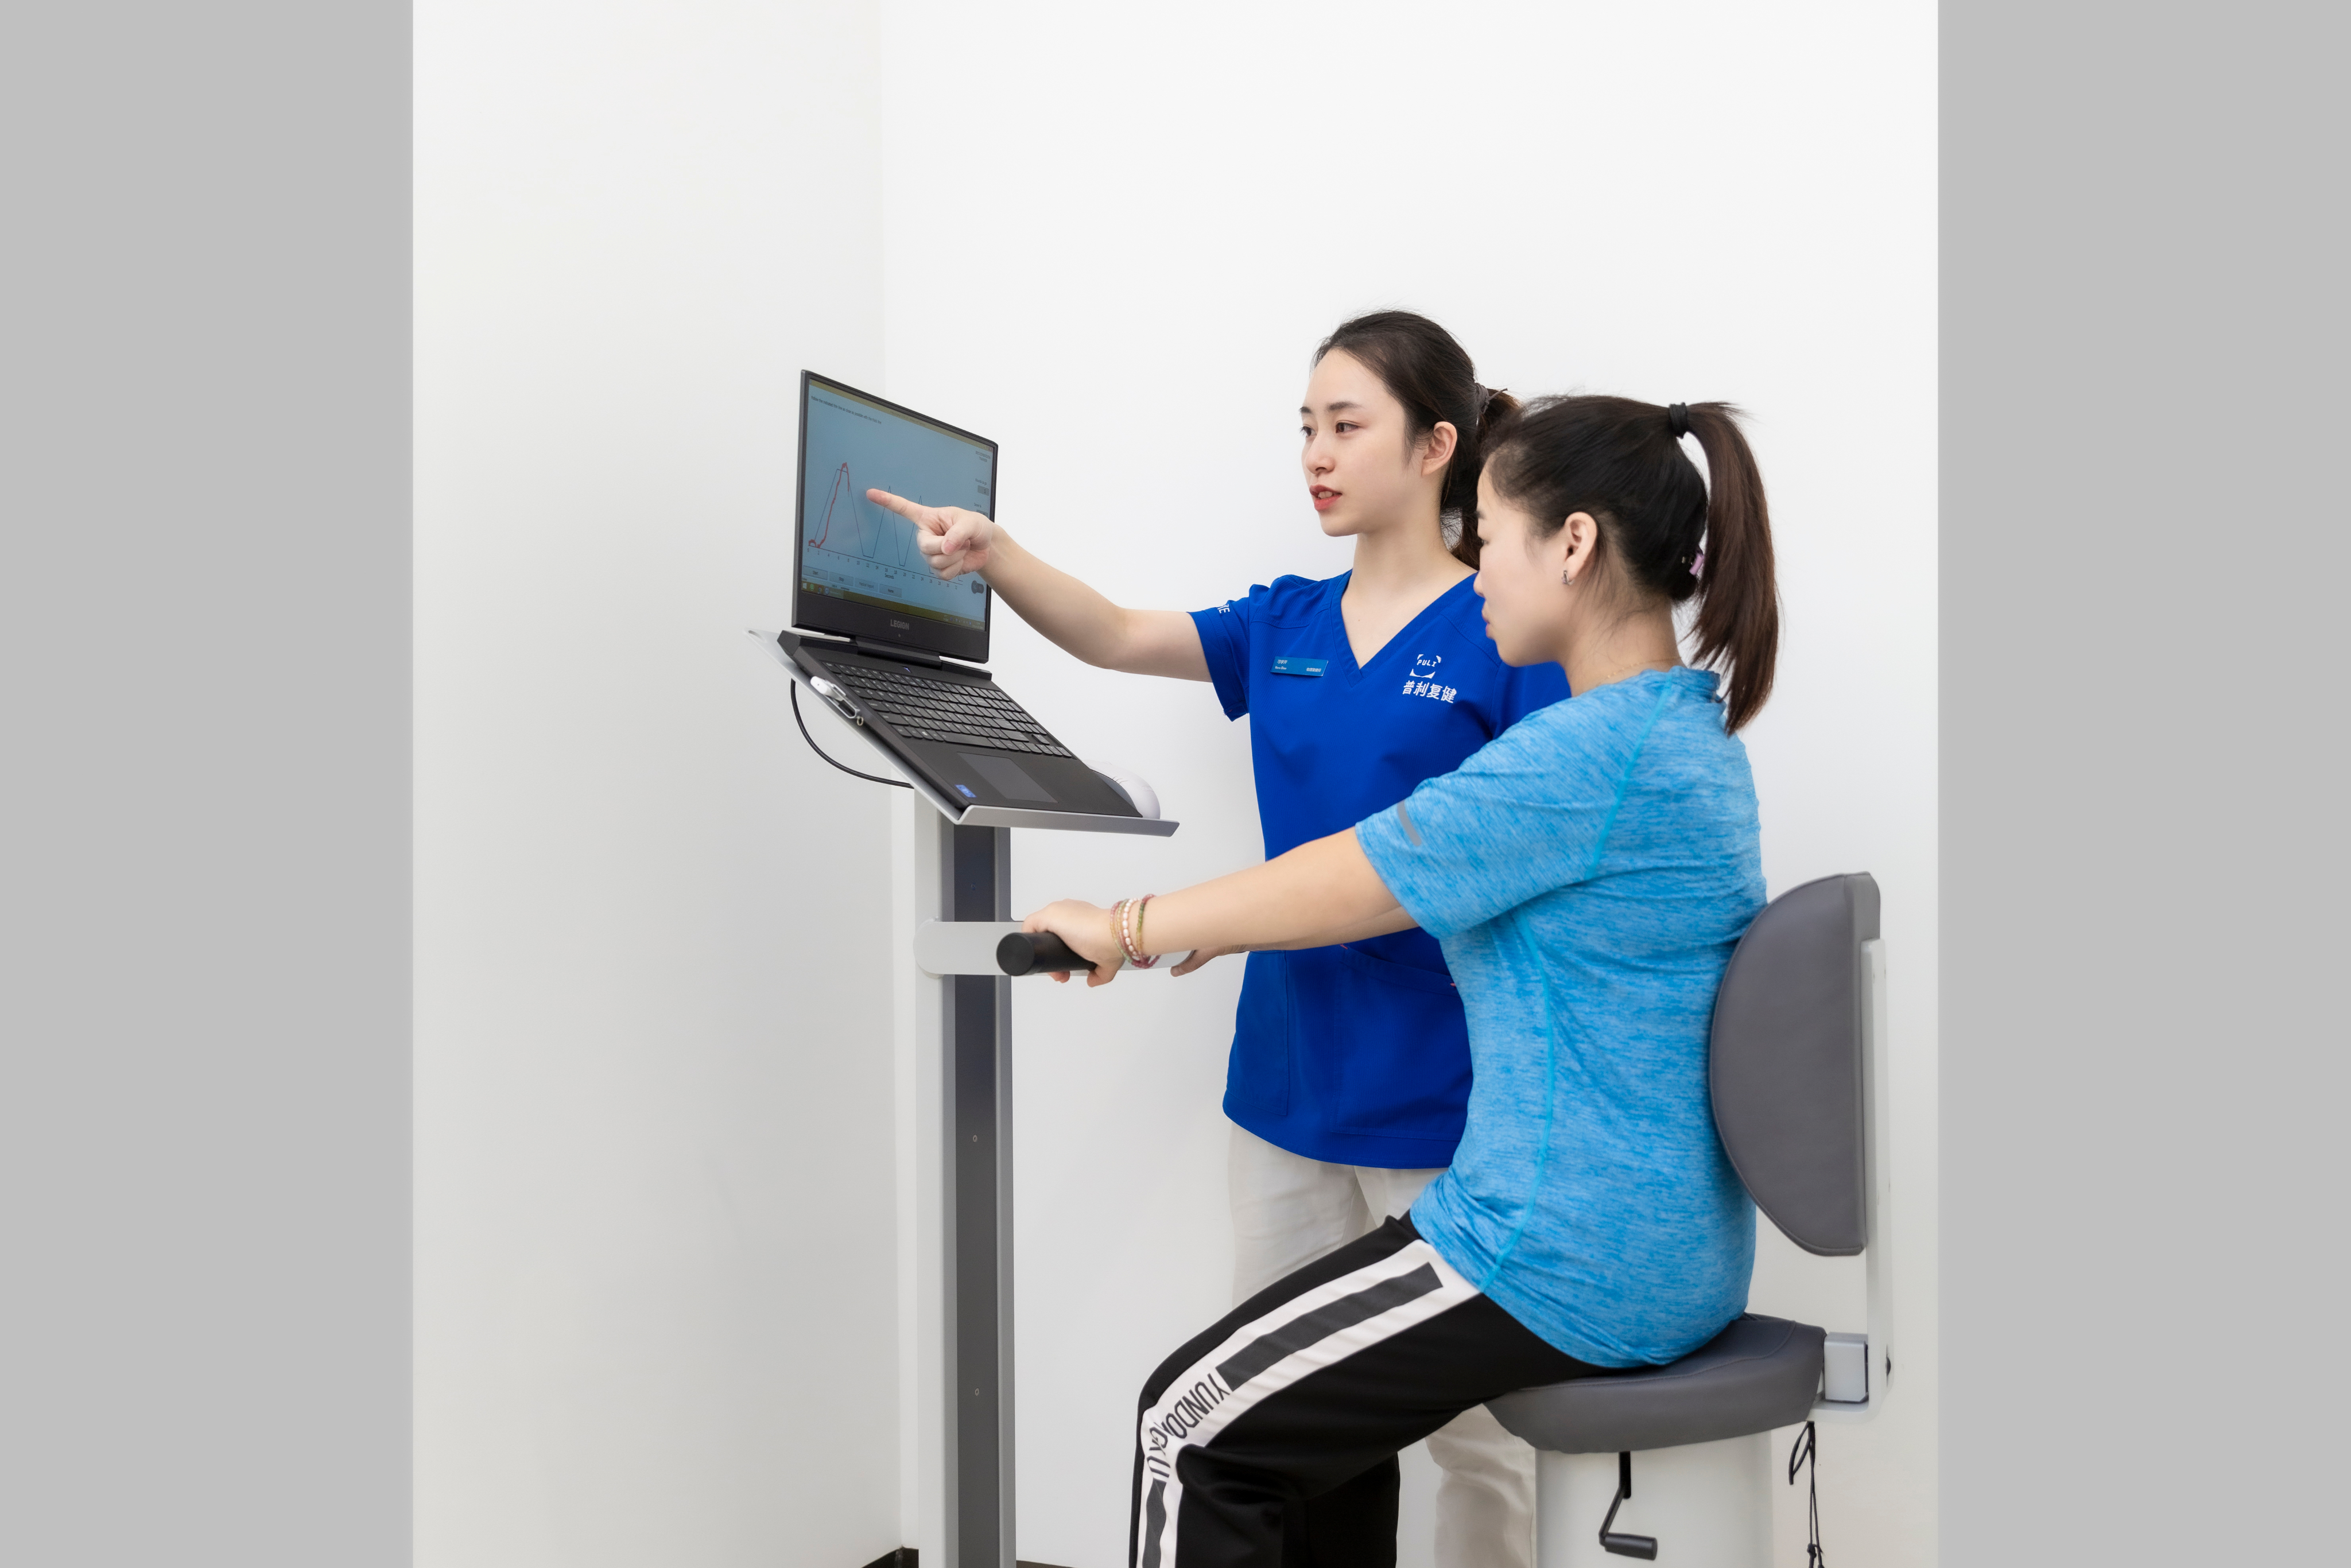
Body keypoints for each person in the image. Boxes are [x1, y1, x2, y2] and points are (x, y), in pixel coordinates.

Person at [1020, 394, 1782, 1568]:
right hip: (1656, 1244)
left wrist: (1124, 923)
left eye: (1488, 530)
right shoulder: (1681, 734)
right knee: (1282, 1440)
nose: (1472, 565)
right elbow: (1379, 871)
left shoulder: (1585, 755)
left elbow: (1368, 869)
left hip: (1553, 1250)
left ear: (1571, 545)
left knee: (1188, 1426)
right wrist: (1214, 929)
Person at [869, 313, 1567, 1562]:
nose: (1315, 452)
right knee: (1272, 1413)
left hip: (1447, 1097)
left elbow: (1503, 863)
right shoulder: (1286, 621)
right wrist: (998, 555)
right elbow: (1115, 632)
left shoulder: (1503, 632)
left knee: (1477, 1443)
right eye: (1304, 426)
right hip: (1288, 1083)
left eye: (1346, 425)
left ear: (1435, 446)